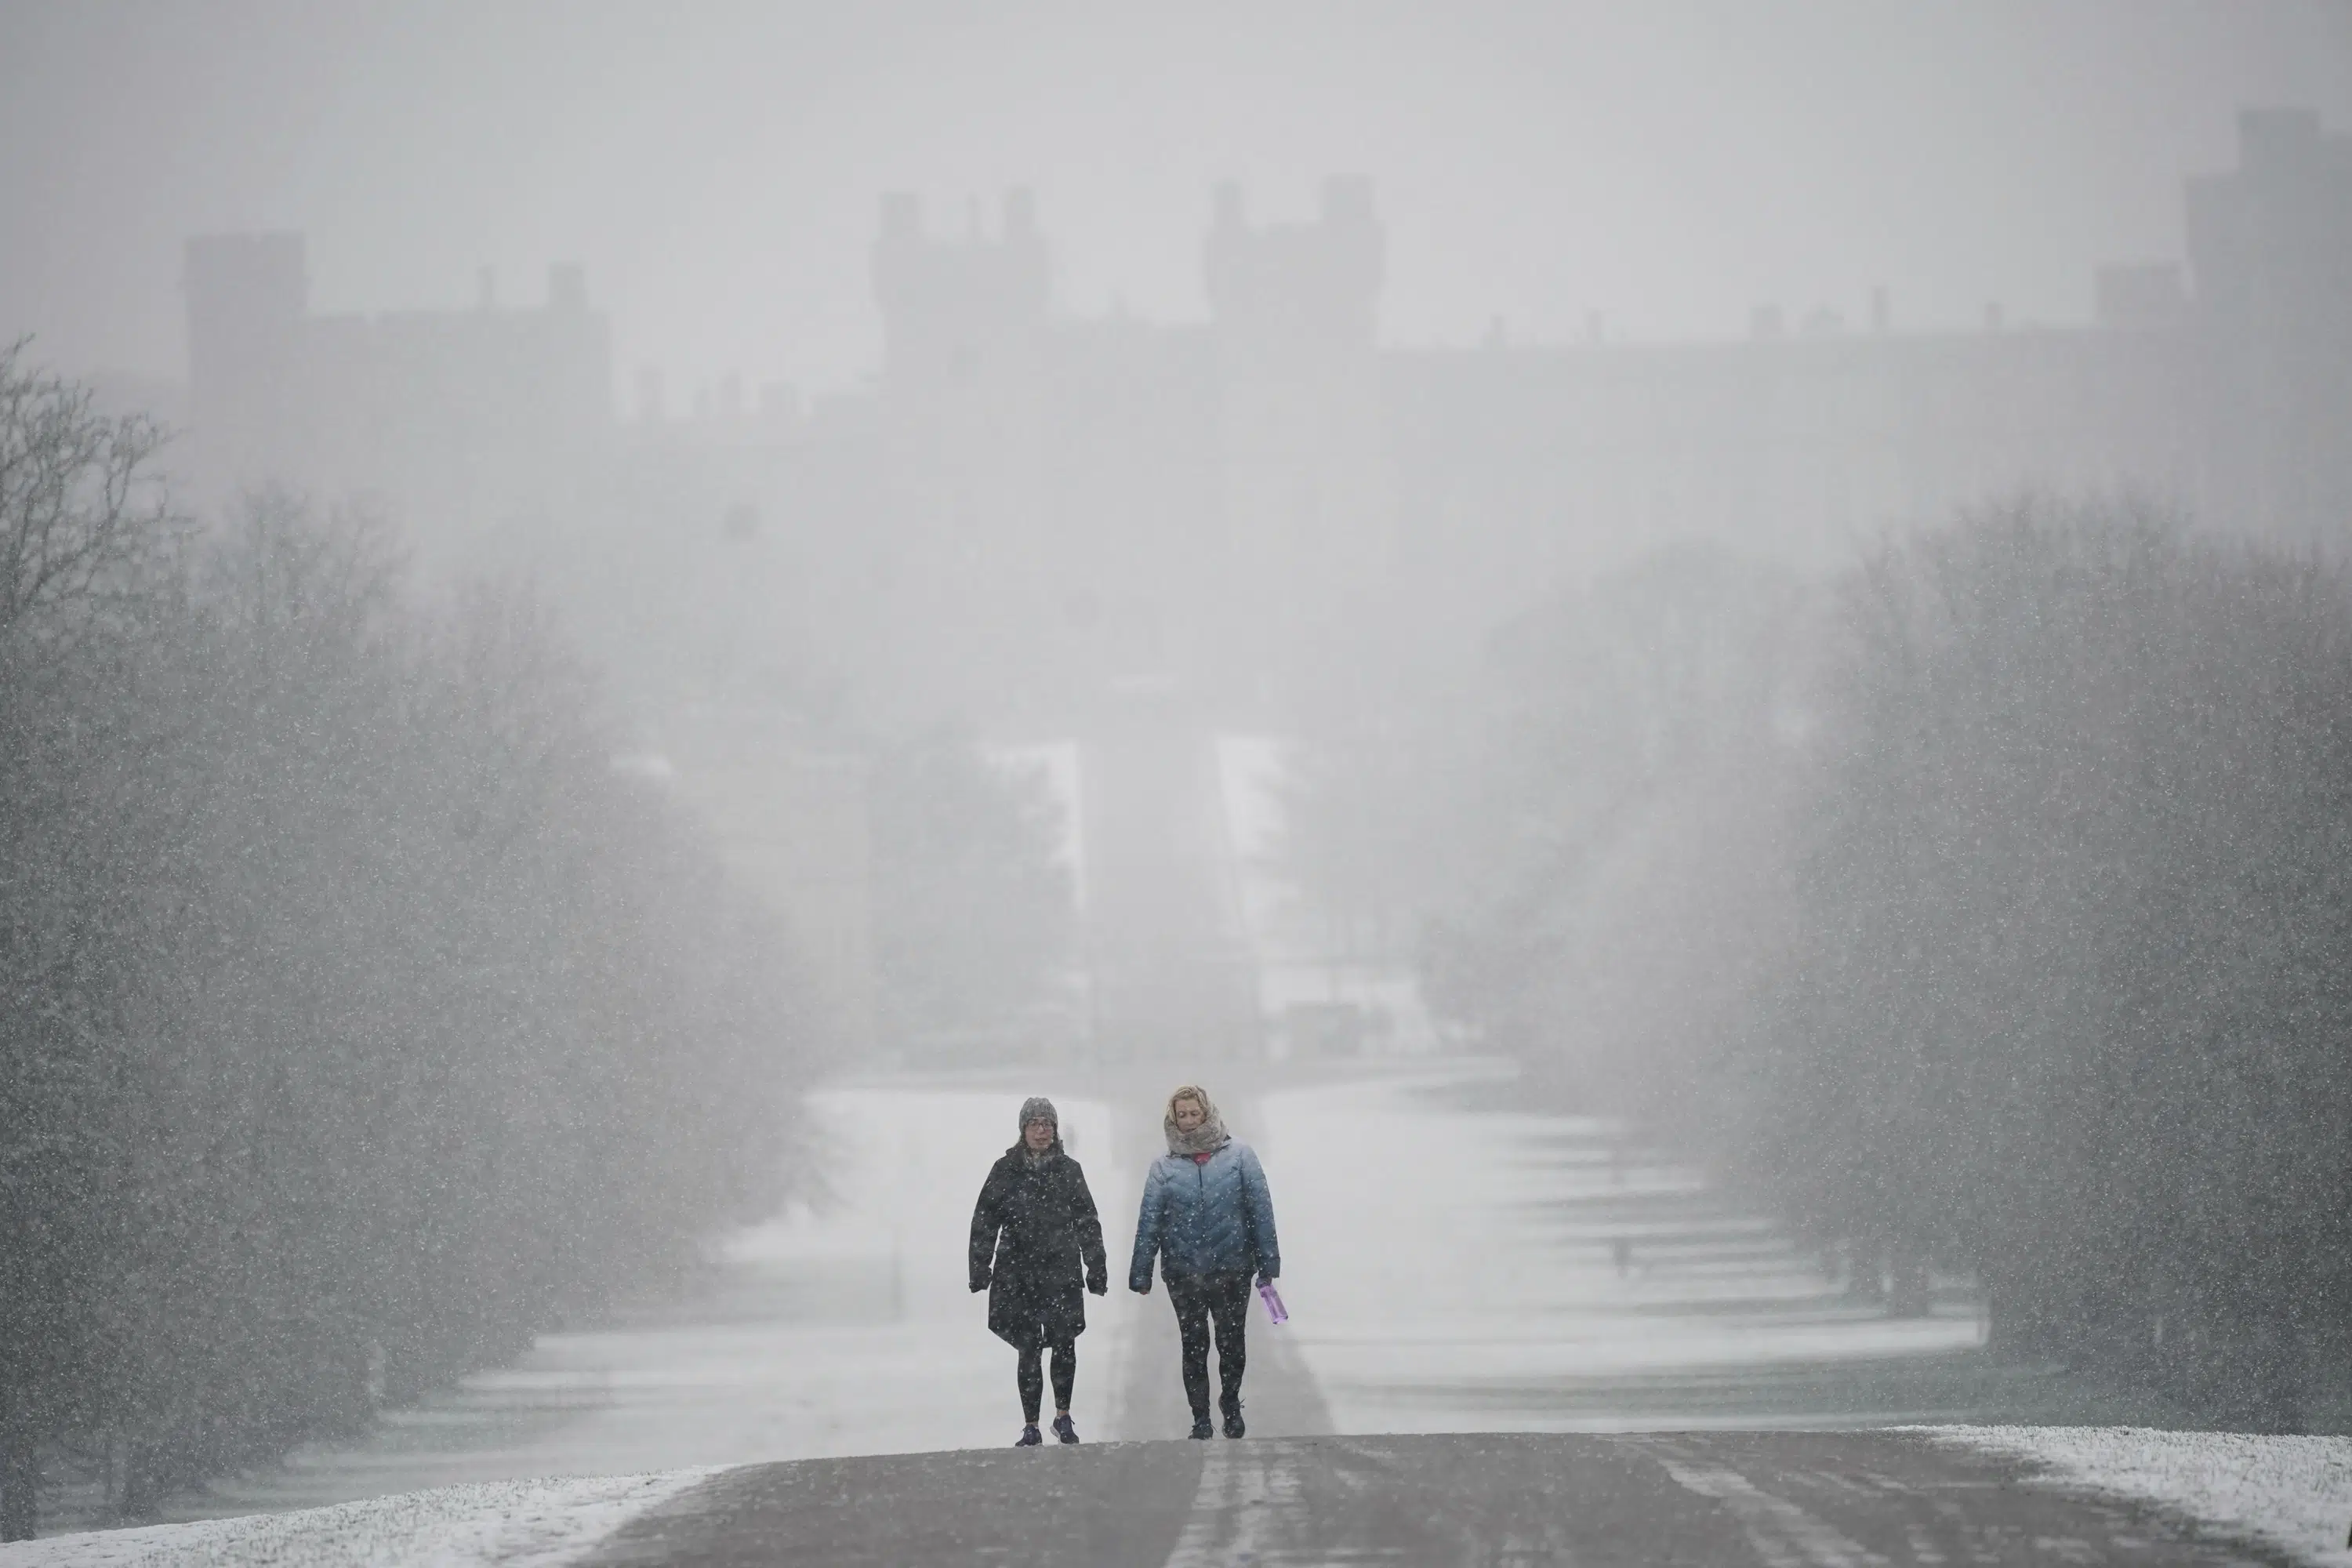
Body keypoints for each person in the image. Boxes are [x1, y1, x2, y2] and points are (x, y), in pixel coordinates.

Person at [1129, 1084, 1281, 1439]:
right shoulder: (1163, 1168)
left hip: (1232, 1268)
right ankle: (1200, 1418)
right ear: (1173, 1118)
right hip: (1183, 1272)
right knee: (1193, 1345)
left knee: (1231, 1342)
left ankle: (1230, 1404)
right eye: (1182, 1115)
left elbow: (1261, 1211)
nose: (1189, 1121)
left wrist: (1267, 1263)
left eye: (1194, 1113)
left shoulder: (1241, 1157)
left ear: (1207, 1113)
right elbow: (1149, 1221)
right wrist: (1141, 1271)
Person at [970, 1097, 1108, 1446]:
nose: (1042, 1130)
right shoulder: (1005, 1170)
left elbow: (1087, 1221)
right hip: (1017, 1273)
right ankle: (1030, 1424)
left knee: (1064, 1344)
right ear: (1023, 1129)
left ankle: (1063, 1417)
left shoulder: (1068, 1170)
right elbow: (985, 1220)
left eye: (1048, 1124)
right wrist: (979, 1267)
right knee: (1028, 1348)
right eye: (1035, 1124)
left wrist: (1096, 1265)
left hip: (1061, 1269)